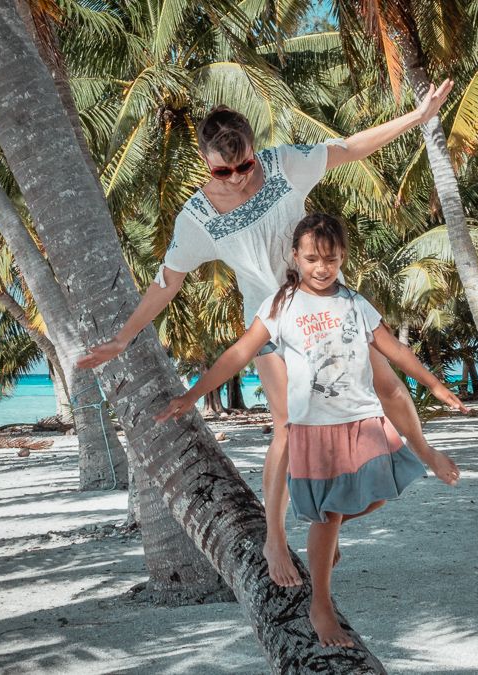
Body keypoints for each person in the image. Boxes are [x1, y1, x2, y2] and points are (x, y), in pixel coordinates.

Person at [77, 82, 458, 588]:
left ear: (255, 152)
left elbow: (351, 146)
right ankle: (274, 539)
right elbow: (166, 283)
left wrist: (418, 116)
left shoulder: (283, 165)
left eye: (244, 166)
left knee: (386, 388)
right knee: (287, 428)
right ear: (205, 161)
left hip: (325, 304)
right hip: (272, 323)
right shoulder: (197, 217)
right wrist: (124, 338)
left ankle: (383, 480)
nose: (235, 179)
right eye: (222, 170)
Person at [155, 214, 467, 647]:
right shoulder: (280, 306)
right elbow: (239, 353)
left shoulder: (355, 304)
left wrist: (433, 382)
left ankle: (328, 542)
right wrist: (193, 395)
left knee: (381, 492)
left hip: (361, 421)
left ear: (343, 258)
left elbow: (393, 349)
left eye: (332, 260)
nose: (322, 268)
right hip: (314, 431)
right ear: (295, 256)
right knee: (329, 513)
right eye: (313, 259)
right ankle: (321, 605)